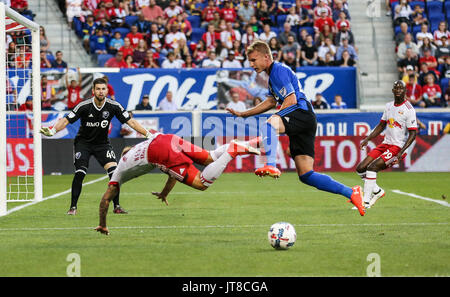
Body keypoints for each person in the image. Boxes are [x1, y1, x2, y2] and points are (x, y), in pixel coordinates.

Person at [226, 40, 365, 216]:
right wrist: (244, 114)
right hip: (306, 118)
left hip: (301, 111)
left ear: (266, 57)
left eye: (253, 60)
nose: (251, 64)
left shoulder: (279, 71)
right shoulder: (272, 76)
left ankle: (271, 165)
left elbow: (290, 100)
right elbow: (270, 101)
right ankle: (352, 192)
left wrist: (275, 118)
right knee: (306, 175)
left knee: (270, 124)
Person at [95, 134, 261, 235]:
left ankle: (233, 149)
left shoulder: (119, 170)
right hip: (168, 139)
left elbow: (105, 200)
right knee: (210, 156)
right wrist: (164, 193)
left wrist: (102, 224)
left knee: (202, 183)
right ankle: (249, 143)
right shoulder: (138, 146)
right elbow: (172, 173)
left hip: (159, 153)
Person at [39, 77, 152, 215]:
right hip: (83, 144)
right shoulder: (84, 106)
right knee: (80, 173)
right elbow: (66, 120)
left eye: (103, 89)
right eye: (98, 89)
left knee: (115, 173)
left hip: (102, 144)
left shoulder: (114, 106)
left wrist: (147, 134)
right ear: (93, 91)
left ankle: (116, 206)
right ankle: (73, 208)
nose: (101, 91)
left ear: (106, 91)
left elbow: (131, 122)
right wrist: (53, 130)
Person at [356, 80, 417, 209]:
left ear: (405, 91)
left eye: (401, 88)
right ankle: (377, 191)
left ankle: (365, 202)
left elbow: (413, 133)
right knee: (361, 168)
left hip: (397, 146)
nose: (399, 90)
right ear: (393, 91)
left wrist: (401, 151)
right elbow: (381, 125)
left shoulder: (409, 109)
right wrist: (368, 138)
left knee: (372, 168)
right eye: (397, 88)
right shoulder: (389, 106)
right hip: (386, 143)